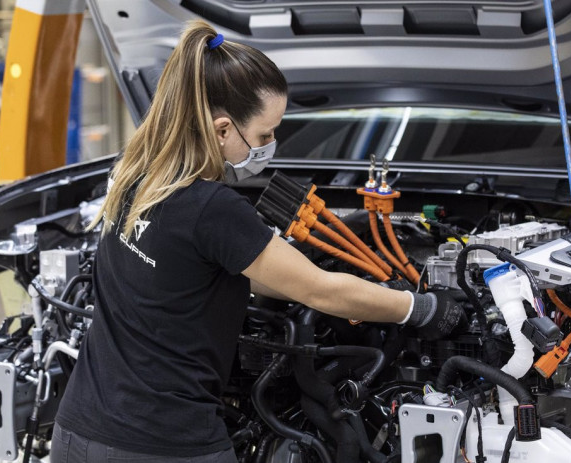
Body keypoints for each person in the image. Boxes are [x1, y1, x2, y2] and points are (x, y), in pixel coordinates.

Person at [51, 20, 463, 463]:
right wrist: (421, 308)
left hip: (78, 432)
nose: (271, 145)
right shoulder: (212, 207)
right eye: (265, 135)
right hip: (167, 445)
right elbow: (321, 291)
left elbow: (231, 272)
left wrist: (293, 271)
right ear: (224, 129)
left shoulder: (135, 175)